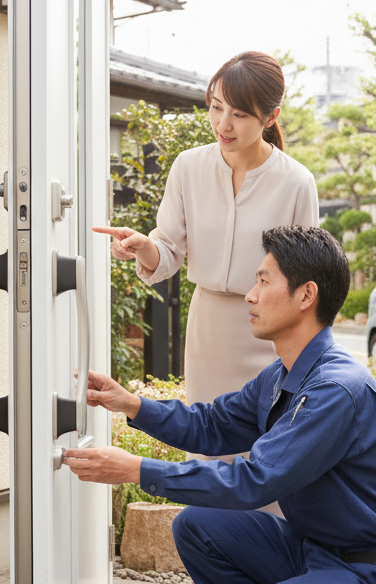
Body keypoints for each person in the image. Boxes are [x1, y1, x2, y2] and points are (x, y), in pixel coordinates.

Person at [64, 225, 376, 584]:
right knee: (197, 525)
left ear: (306, 296)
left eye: (263, 281)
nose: (250, 296)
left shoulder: (334, 390)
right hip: (315, 551)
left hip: (370, 573)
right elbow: (212, 425)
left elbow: (254, 481)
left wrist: (139, 470)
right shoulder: (285, 372)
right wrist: (132, 404)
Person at [93, 50, 318, 411]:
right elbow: (167, 249)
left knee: (263, 453)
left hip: (271, 338)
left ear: (270, 116)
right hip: (207, 334)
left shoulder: (296, 182)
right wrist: (143, 246)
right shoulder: (188, 167)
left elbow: (309, 279)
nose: (223, 124)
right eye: (217, 107)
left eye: (239, 114)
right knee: (205, 440)